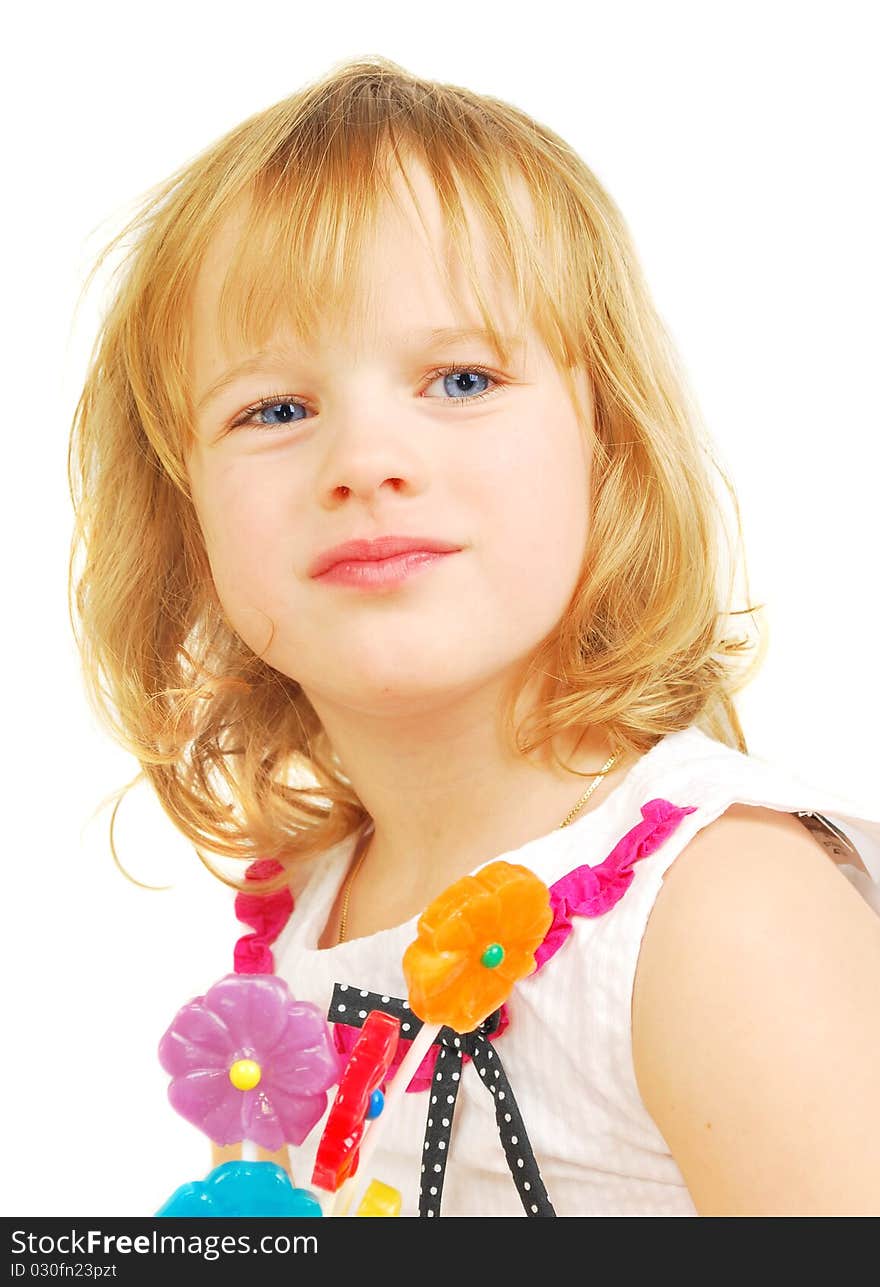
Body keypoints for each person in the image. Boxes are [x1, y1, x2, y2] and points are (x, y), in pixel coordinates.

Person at [68, 55, 880, 1216]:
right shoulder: (307, 909)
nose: (364, 463)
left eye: (459, 379)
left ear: (610, 450)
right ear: (181, 515)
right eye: (276, 410)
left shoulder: (720, 914)